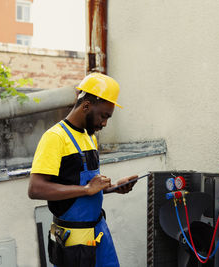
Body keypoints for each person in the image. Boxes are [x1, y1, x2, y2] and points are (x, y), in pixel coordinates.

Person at [28, 72, 137, 267]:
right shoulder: (55, 137)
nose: (104, 123)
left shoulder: (89, 137)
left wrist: (112, 187)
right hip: (74, 240)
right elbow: (36, 189)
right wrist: (86, 190)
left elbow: (87, 186)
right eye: (103, 116)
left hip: (98, 231)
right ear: (86, 106)